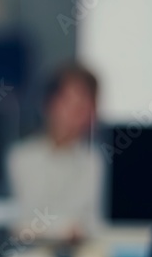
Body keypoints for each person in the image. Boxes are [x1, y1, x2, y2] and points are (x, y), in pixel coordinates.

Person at [7, 61, 105, 245]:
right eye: (71, 101)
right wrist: (64, 230)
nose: (79, 111)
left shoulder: (97, 162)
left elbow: (96, 225)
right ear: (48, 104)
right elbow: (17, 222)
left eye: (86, 104)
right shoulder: (20, 158)